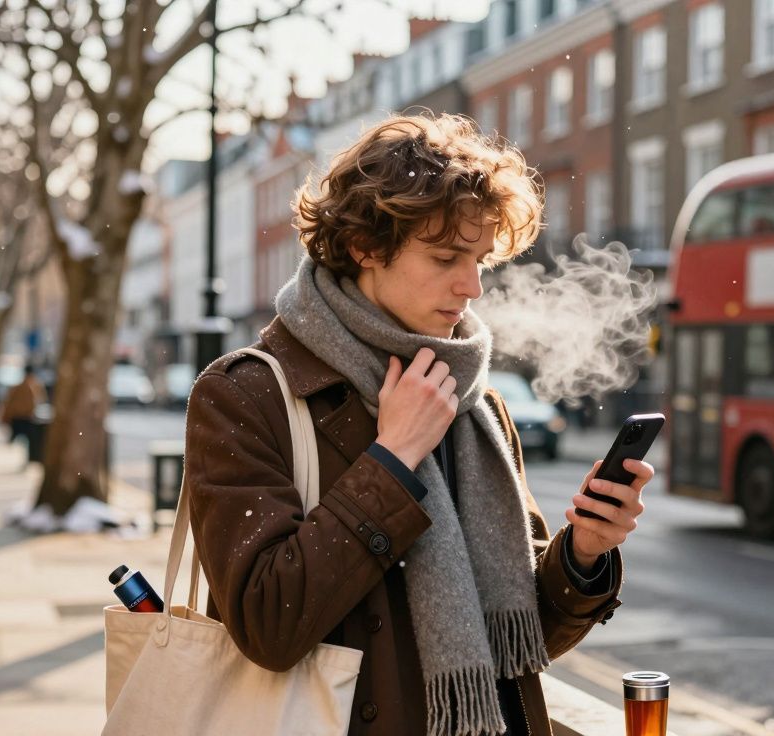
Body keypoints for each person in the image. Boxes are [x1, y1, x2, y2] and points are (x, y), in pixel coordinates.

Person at [184, 114, 652, 736]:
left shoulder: (473, 403)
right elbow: (268, 623)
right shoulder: (247, 395)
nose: (473, 286)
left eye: (481, 259)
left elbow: (519, 640)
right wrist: (394, 458)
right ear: (365, 246)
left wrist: (583, 554)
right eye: (446, 257)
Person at [0, 365, 47, 459]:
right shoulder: (34, 386)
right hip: (24, 417)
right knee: (24, 440)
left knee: (24, 440)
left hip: (24, 416)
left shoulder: (32, 386)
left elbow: (8, 402)